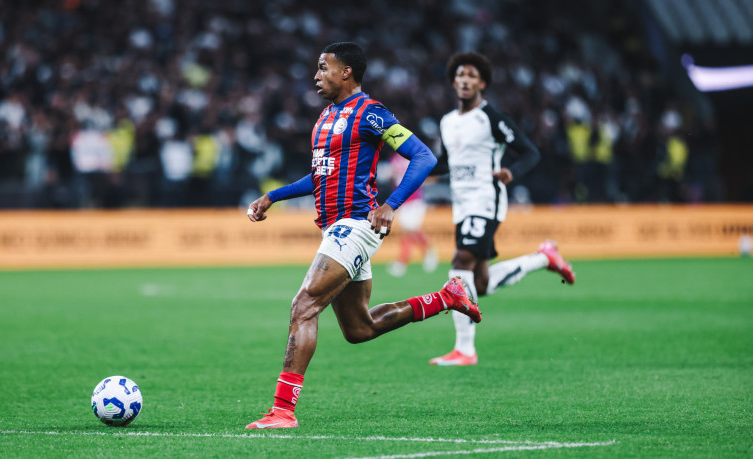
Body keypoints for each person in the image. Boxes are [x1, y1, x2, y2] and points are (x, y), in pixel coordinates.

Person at [244, 42, 481, 429]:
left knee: (303, 306)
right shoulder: (326, 117)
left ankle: (283, 411)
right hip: (336, 229)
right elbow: (320, 174)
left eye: (323, 68)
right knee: (359, 328)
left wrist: (392, 204)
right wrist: (274, 196)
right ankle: (444, 298)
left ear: (346, 72)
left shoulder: (371, 114)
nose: (316, 75)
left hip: (355, 225)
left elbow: (424, 157)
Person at [428, 52, 576, 366]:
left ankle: (465, 350)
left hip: (486, 199)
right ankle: (543, 258)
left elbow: (529, 152)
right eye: (459, 75)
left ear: (481, 82)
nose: (464, 80)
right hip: (462, 203)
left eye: (471, 75)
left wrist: (512, 172)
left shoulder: (491, 117)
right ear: (453, 82)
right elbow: (446, 162)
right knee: (480, 283)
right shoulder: (447, 121)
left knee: (460, 262)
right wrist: (422, 170)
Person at [385, 151, 439, 277]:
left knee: (410, 229)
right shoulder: (394, 158)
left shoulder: (412, 156)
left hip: (414, 199)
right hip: (402, 200)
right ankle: (428, 252)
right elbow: (394, 177)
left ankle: (403, 262)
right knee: (409, 231)